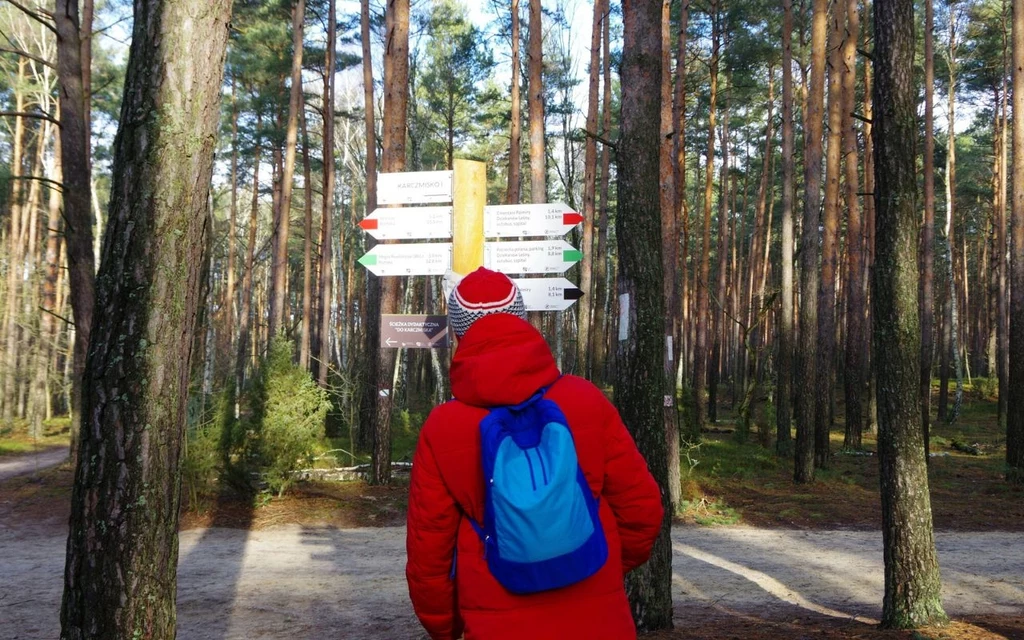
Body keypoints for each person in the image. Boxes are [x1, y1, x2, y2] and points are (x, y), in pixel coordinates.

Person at [406, 267, 664, 640]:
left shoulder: (443, 427)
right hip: (599, 622)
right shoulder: (584, 400)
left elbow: (429, 554)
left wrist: (446, 628)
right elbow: (643, 510)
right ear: (523, 321)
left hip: (496, 624)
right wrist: (595, 564)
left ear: (460, 334)